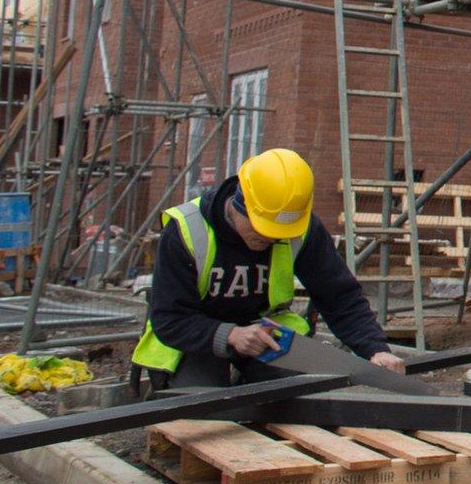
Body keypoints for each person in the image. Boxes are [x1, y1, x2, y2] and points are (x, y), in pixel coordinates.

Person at [131, 147, 404, 388]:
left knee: (303, 393)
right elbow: (170, 318)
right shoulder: (185, 229)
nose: (271, 239)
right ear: (239, 206)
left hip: (266, 334)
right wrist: (231, 335)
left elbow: (339, 295)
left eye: (279, 233)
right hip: (194, 339)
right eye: (263, 229)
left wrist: (374, 349)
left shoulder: (300, 228)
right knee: (203, 408)